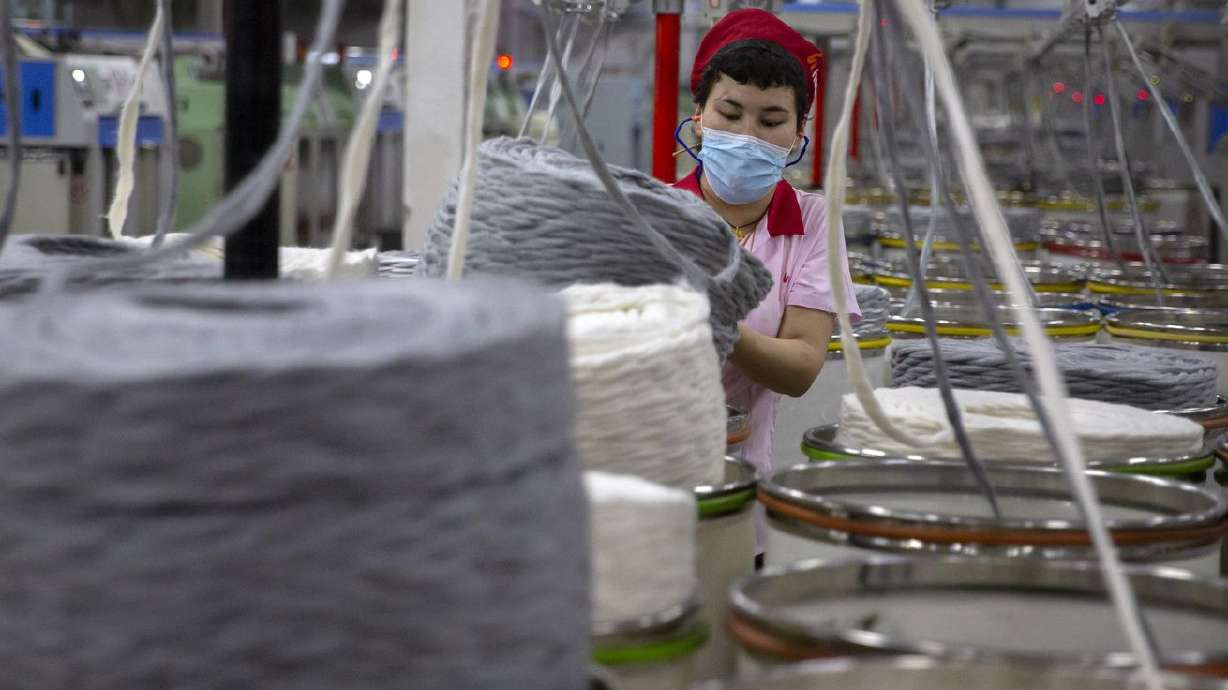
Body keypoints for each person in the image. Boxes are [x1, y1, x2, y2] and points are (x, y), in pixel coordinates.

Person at [674, 9, 861, 477]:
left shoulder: (814, 220)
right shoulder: (655, 213)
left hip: (748, 475)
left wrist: (715, 323)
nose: (746, 136)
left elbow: (800, 366)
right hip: (652, 466)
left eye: (771, 120)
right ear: (699, 117)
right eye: (730, 113)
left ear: (799, 133)